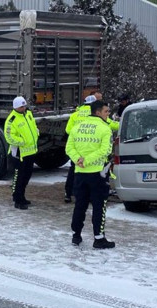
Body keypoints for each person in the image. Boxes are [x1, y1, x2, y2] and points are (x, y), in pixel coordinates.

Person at [67, 100, 115, 249]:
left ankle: (76, 235)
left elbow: (69, 148)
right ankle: (99, 238)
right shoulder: (105, 129)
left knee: (80, 205)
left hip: (80, 174)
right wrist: (86, 161)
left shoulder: (77, 127)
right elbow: (105, 151)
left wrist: (78, 160)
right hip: (97, 174)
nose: (108, 114)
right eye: (106, 111)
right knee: (99, 206)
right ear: (98, 112)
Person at [4, 96, 39, 210]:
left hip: (30, 152)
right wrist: (22, 142)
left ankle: (22, 196)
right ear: (16, 107)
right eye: (21, 106)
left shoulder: (28, 114)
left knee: (27, 176)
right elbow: (9, 137)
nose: (23, 108)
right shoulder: (12, 119)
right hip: (19, 154)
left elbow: (33, 125)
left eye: (24, 106)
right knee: (19, 177)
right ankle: (17, 199)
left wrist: (36, 132)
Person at [63, 94, 97, 203]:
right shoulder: (95, 114)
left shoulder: (75, 115)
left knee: (74, 170)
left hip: (77, 146)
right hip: (91, 146)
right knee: (91, 171)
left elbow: (68, 130)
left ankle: (68, 194)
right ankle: (89, 196)